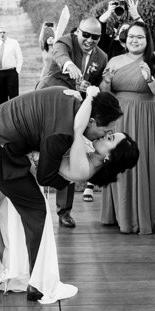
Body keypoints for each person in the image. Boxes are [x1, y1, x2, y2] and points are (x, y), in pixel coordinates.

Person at [0, 87, 136, 301]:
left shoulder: (68, 95)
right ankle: (37, 282)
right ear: (91, 121)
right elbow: (45, 177)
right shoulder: (63, 133)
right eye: (105, 131)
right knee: (36, 209)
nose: (104, 135)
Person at [99, 21, 155, 234]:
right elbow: (106, 92)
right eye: (131, 36)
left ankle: (147, 213)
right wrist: (106, 82)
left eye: (140, 37)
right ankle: (120, 214)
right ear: (125, 38)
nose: (134, 40)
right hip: (120, 117)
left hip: (146, 117)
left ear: (147, 40)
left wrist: (148, 79)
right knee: (118, 162)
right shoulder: (115, 60)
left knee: (144, 162)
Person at [38, 16, 109, 227]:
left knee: (69, 152)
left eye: (94, 37)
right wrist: (68, 64)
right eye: (85, 34)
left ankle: (64, 211)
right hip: (48, 100)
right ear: (78, 31)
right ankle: (34, 206)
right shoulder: (66, 40)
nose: (89, 40)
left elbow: (93, 86)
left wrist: (89, 88)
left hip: (73, 109)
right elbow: (59, 53)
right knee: (37, 151)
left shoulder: (102, 57)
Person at [0, 27, 22, 103]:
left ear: (7, 33)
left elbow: (19, 57)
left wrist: (17, 71)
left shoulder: (14, 43)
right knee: (1, 96)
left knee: (13, 96)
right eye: (0, 33)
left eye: (4, 32)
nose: (2, 34)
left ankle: (14, 113)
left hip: (11, 73)